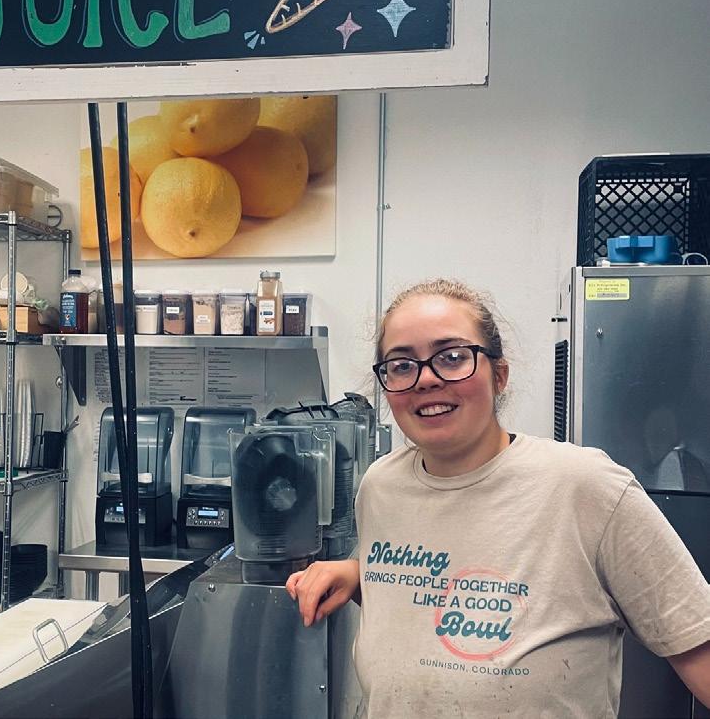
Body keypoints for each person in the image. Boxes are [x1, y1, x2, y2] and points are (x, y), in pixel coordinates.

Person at [287, 278, 710, 717]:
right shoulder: (381, 486)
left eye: (452, 357)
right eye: (401, 365)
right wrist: (360, 572)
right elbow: (429, 574)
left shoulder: (586, 487)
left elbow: (696, 641)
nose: (425, 379)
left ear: (499, 375)